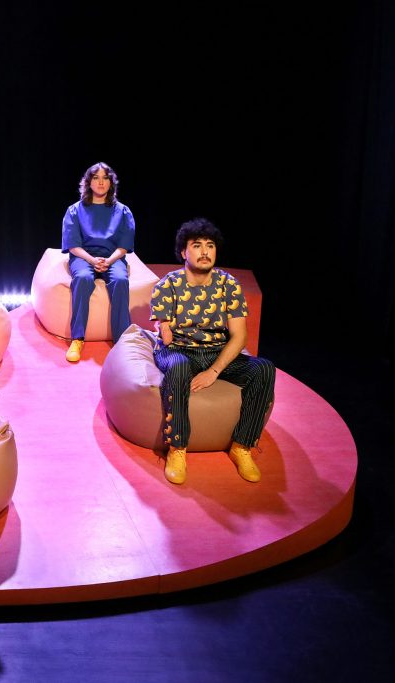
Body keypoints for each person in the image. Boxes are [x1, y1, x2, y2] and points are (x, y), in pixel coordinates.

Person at [149, 218, 275, 484]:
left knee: (264, 368)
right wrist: (165, 328)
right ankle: (177, 448)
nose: (205, 251)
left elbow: (240, 336)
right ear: (184, 252)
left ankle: (242, 446)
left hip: (215, 351)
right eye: (197, 245)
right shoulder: (168, 284)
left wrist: (214, 371)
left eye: (210, 246)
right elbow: (164, 331)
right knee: (179, 366)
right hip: (178, 349)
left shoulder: (229, 285)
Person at [61, 162, 136, 360]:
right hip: (83, 256)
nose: (101, 182)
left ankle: (121, 341)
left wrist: (109, 260)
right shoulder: (75, 211)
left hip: (113, 257)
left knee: (120, 280)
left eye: (105, 178)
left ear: (111, 183)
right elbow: (73, 246)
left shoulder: (123, 211)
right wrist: (92, 260)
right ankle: (78, 338)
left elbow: (124, 245)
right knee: (84, 278)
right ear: (88, 182)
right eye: (96, 177)